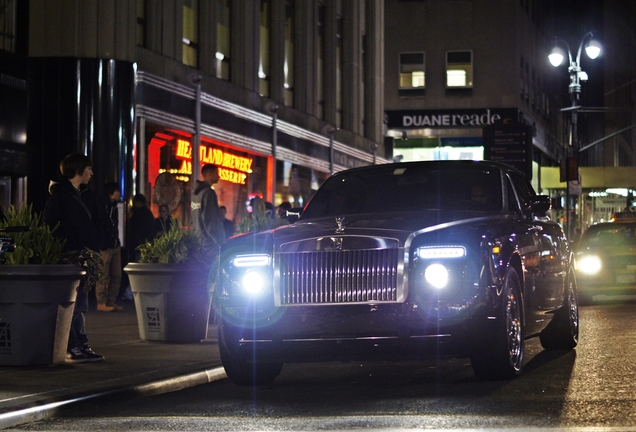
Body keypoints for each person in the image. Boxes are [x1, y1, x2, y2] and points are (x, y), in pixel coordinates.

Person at [43, 153, 104, 363]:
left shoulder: (86, 194)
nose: (91, 173)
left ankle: (81, 344)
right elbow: (50, 225)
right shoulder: (59, 195)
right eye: (88, 169)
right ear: (77, 170)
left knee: (82, 303)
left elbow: (96, 221)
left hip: (85, 257)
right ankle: (74, 345)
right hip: (70, 257)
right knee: (74, 304)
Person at [95, 181, 123, 312]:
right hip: (105, 245)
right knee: (103, 273)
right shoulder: (102, 206)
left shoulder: (114, 206)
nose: (119, 194)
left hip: (115, 244)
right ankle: (101, 302)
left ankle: (111, 300)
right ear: (112, 193)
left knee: (117, 274)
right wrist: (102, 242)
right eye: (117, 191)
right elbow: (102, 226)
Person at [191, 164, 226, 253]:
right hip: (209, 244)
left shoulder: (196, 194)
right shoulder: (209, 193)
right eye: (216, 173)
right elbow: (210, 220)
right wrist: (220, 242)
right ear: (209, 175)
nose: (219, 176)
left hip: (198, 242)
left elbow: (193, 219)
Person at [127, 194, 155, 262]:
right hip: (145, 245)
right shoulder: (148, 214)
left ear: (138, 202)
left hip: (139, 245)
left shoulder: (139, 214)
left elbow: (135, 229)